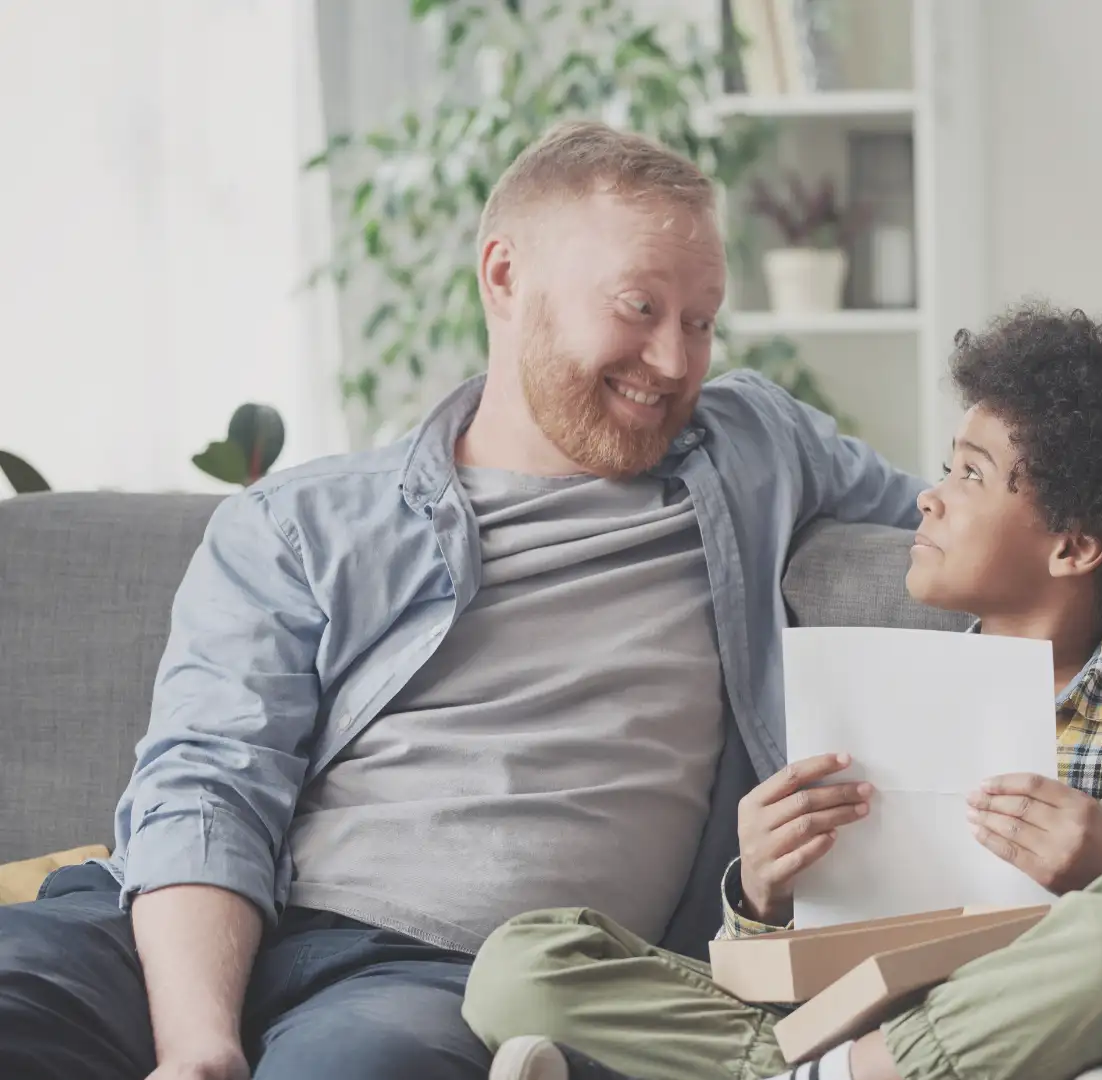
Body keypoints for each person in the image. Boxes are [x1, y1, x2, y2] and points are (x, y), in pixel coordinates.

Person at [0, 121, 931, 1080]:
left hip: (455, 976)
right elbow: (209, 784)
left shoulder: (754, 449)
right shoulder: (300, 523)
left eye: (700, 321)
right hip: (180, 932)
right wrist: (199, 1047)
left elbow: (978, 522)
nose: (672, 359)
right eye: (638, 307)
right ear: (504, 277)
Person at [460, 303, 1102, 1080]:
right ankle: (819, 1077)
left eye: (971, 476)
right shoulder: (881, 688)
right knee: (522, 959)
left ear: (1073, 547)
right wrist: (764, 892)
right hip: (830, 1026)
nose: (926, 499)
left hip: (1016, 1040)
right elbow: (788, 980)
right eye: (945, 469)